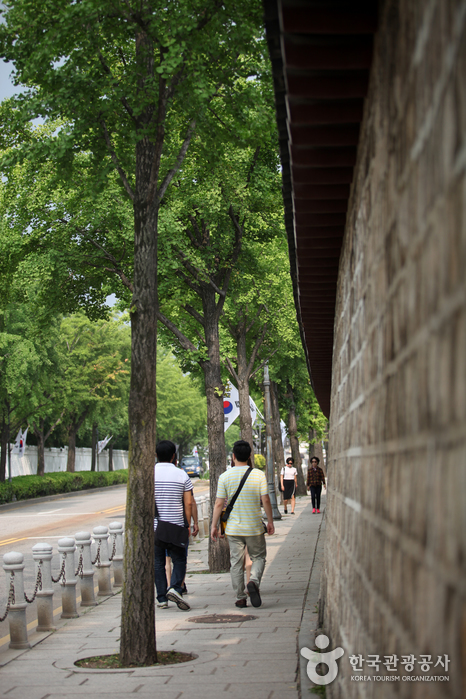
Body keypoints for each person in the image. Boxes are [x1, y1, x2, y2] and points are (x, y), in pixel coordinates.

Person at [211, 440, 275, 609]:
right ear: (249, 456)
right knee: (259, 557)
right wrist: (270, 521)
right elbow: (266, 499)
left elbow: (219, 504)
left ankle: (240, 597)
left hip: (233, 529)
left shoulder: (224, 477)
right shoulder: (258, 474)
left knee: (236, 563)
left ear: (233, 457)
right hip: (254, 527)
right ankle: (253, 581)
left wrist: (213, 526)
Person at [154, 440, 193, 610]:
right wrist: (188, 524)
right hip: (176, 525)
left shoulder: (149, 473)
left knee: (158, 562)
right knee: (179, 559)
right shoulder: (181, 474)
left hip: (156, 527)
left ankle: (162, 598)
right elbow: (189, 503)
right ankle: (176, 588)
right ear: (173, 456)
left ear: (157, 455)